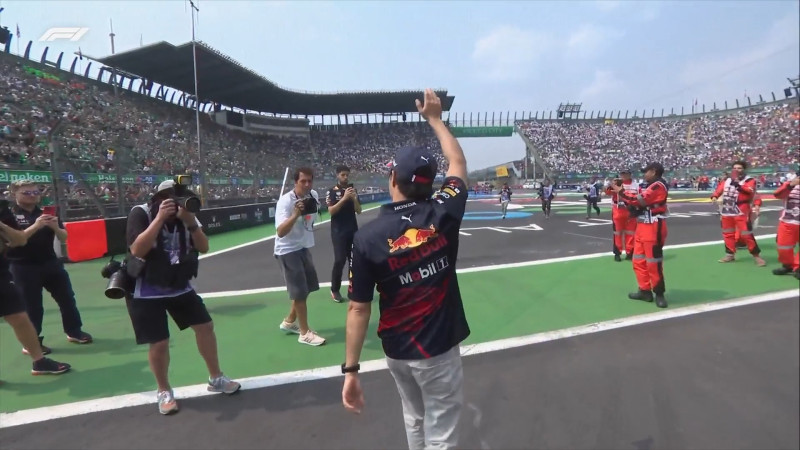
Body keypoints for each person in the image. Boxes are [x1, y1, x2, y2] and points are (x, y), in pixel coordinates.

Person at [342, 89, 470, 450]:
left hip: (397, 350)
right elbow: (458, 165)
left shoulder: (367, 237)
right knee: (442, 432)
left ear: (393, 181)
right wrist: (435, 119)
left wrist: (350, 371)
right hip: (438, 350)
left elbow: (357, 307)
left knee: (414, 417)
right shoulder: (443, 211)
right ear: (430, 184)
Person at [126, 180, 241, 415]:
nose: (177, 203)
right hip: (146, 288)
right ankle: (164, 391)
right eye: (171, 197)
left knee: (205, 326)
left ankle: (216, 377)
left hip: (178, 284)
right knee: (159, 342)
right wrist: (159, 219)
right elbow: (137, 250)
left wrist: (190, 223)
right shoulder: (142, 213)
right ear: (158, 198)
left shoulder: (186, 215)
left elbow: (204, 247)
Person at [5, 180, 92, 355]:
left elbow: (63, 237)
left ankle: (74, 331)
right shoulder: (9, 215)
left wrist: (54, 226)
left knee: (67, 298)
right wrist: (36, 225)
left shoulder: (45, 212)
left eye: (35, 192)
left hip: (50, 263)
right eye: (27, 193)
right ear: (15, 194)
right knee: (32, 306)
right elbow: (14, 241)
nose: (33, 195)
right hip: (22, 266)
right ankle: (33, 342)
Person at [0, 206, 71, 378]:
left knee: (20, 317)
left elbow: (19, 240)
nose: (32, 195)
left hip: (2, 274)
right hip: (22, 267)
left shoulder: (2, 209)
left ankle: (39, 362)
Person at [274, 167, 326, 346]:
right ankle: (304, 333)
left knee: (308, 288)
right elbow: (280, 231)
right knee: (300, 292)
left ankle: (289, 322)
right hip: (287, 250)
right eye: (303, 181)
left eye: (309, 181)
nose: (307, 184)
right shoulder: (285, 202)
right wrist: (295, 214)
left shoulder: (313, 195)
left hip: (303, 247)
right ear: (295, 182)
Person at [611, 162, 669, 308]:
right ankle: (644, 290)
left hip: (653, 227)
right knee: (638, 261)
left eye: (646, 171)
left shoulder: (658, 186)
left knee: (653, 263)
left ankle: (659, 293)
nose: (644, 174)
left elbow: (639, 200)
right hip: (642, 226)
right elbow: (637, 200)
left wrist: (621, 192)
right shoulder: (649, 185)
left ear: (654, 171)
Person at [710, 161, 766, 266]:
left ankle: (756, 256)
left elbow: (749, 191)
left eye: (739, 168)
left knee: (746, 234)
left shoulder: (750, 180)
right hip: (727, 210)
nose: (736, 170)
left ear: (744, 169)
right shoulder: (726, 180)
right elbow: (719, 190)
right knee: (727, 233)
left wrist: (737, 183)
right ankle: (730, 254)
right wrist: (714, 196)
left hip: (741, 210)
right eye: (734, 168)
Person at [326, 165, 361, 303]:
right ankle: (334, 289)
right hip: (338, 231)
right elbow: (331, 211)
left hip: (353, 230)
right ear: (337, 175)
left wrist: (353, 198)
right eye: (343, 175)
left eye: (347, 175)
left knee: (354, 261)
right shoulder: (332, 192)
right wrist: (344, 198)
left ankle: (353, 290)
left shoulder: (353, 190)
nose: (345, 177)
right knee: (340, 260)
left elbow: (359, 210)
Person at [605, 169, 638, 262]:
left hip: (631, 211)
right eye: (622, 173)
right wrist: (611, 186)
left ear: (630, 174)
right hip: (618, 211)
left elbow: (639, 197)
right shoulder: (616, 183)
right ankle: (617, 253)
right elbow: (607, 193)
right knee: (617, 233)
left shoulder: (636, 185)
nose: (623, 175)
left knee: (631, 233)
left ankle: (630, 252)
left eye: (625, 174)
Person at [772, 173, 800, 279]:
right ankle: (787, 265)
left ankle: (798, 268)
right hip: (788, 221)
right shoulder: (789, 183)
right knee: (783, 246)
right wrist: (791, 185)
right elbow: (777, 195)